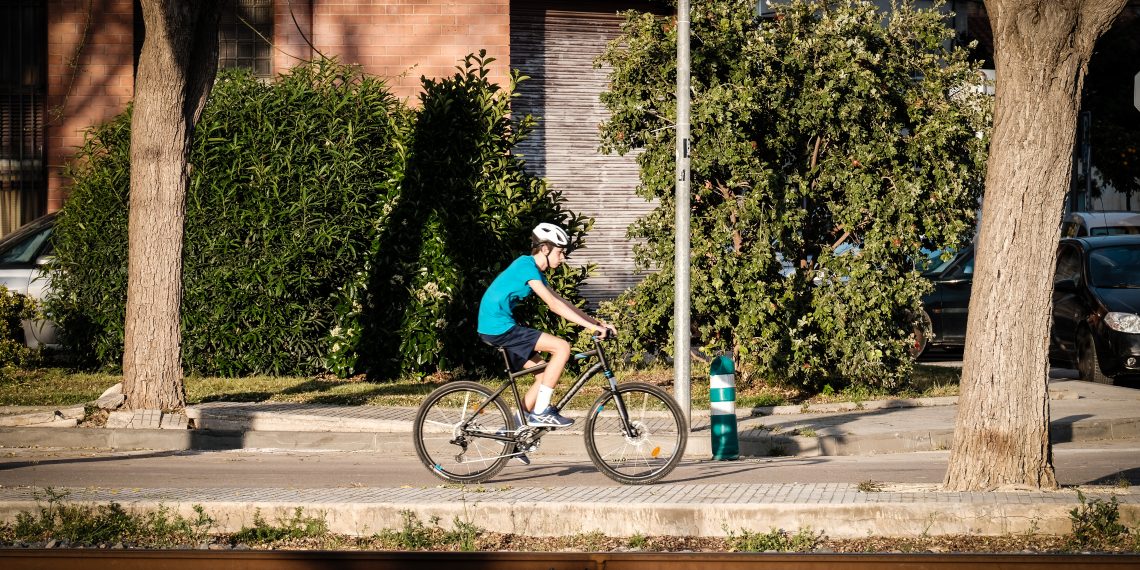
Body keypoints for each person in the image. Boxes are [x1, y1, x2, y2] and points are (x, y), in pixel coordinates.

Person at [477, 222, 616, 431]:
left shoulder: (535, 271)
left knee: (542, 376)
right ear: (545, 249)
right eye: (560, 252)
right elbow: (553, 306)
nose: (563, 258)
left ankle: (514, 434)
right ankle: (541, 413)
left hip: (498, 327)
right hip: (499, 327)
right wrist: (589, 328)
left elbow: (562, 302)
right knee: (562, 347)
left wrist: (597, 323)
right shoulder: (526, 266)